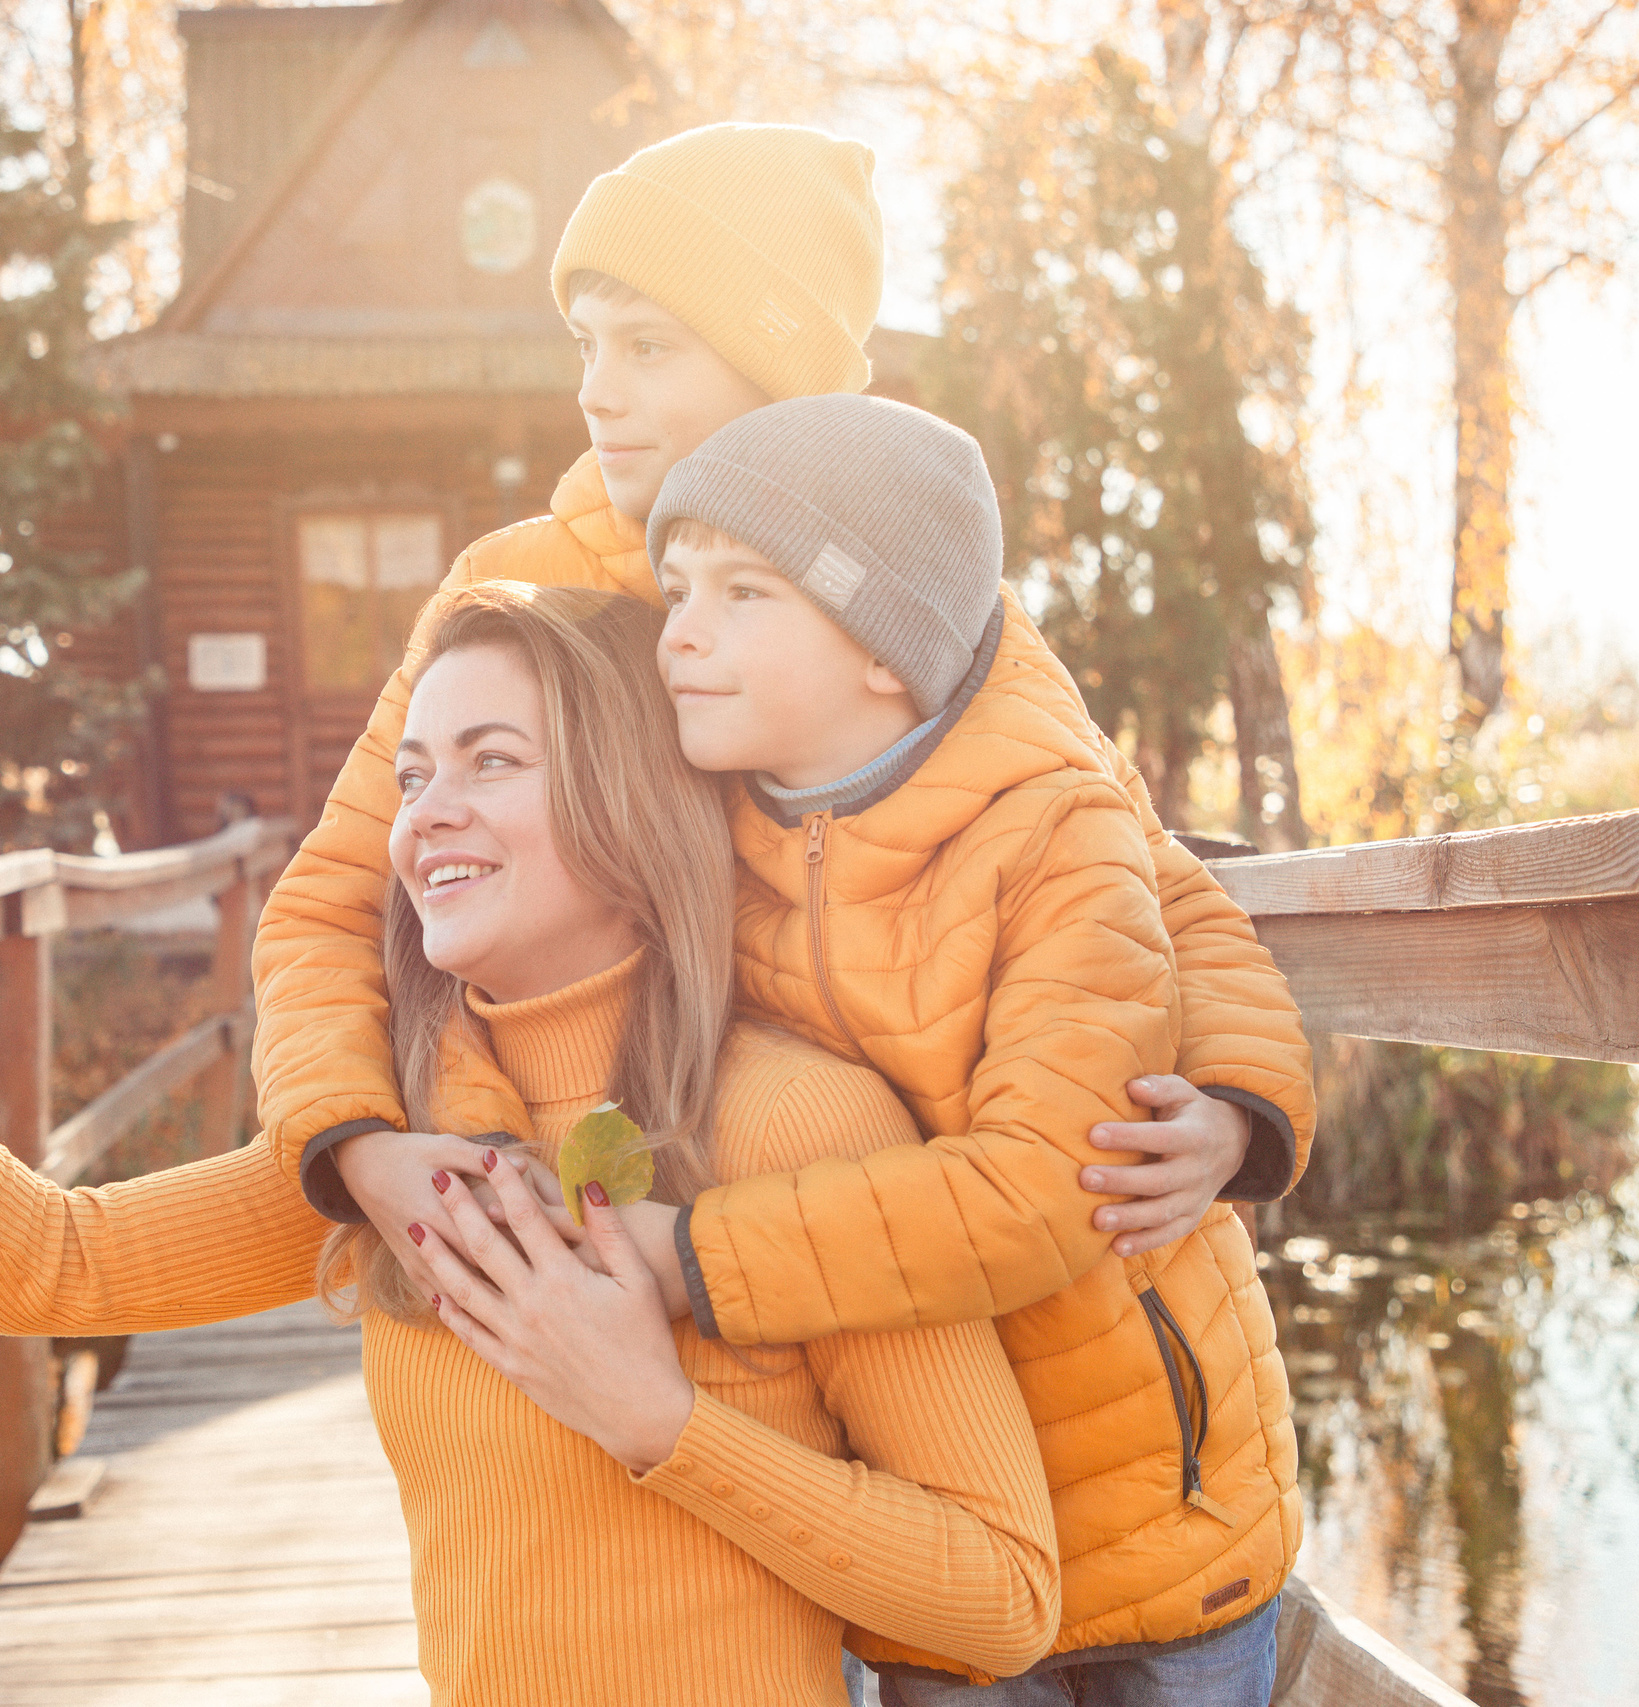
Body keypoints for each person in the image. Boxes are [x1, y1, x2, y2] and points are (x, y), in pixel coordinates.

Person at [0, 582, 1062, 1707]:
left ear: (631, 797)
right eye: (412, 773)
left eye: (492, 762)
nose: (425, 816)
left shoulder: (800, 1120)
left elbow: (1002, 1596)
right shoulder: (393, 1142)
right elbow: (42, 1265)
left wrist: (666, 1424)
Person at [256, 152, 1317, 1693]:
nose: (598, 399)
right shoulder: (518, 602)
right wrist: (376, 1148)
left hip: (1118, 1393)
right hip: (840, 1373)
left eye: (651, 346)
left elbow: (1154, 884)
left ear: (786, 367)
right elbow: (342, 918)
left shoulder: (933, 613)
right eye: (587, 347)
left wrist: (1238, 1105)